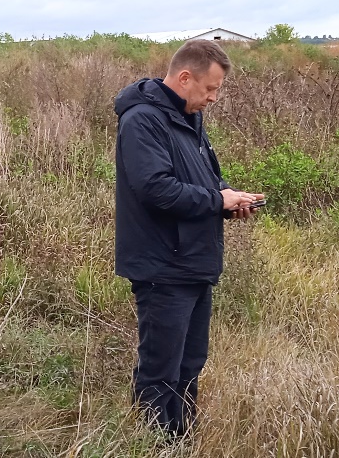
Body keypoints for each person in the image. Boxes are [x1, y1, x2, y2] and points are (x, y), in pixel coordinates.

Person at [112, 38, 262, 436]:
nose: (213, 98)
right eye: (210, 89)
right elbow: (156, 189)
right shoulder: (142, 120)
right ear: (184, 77)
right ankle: (153, 443)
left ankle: (181, 440)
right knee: (161, 370)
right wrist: (217, 199)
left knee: (190, 363)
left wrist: (229, 200)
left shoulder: (187, 118)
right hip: (163, 266)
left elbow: (205, 181)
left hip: (194, 262)